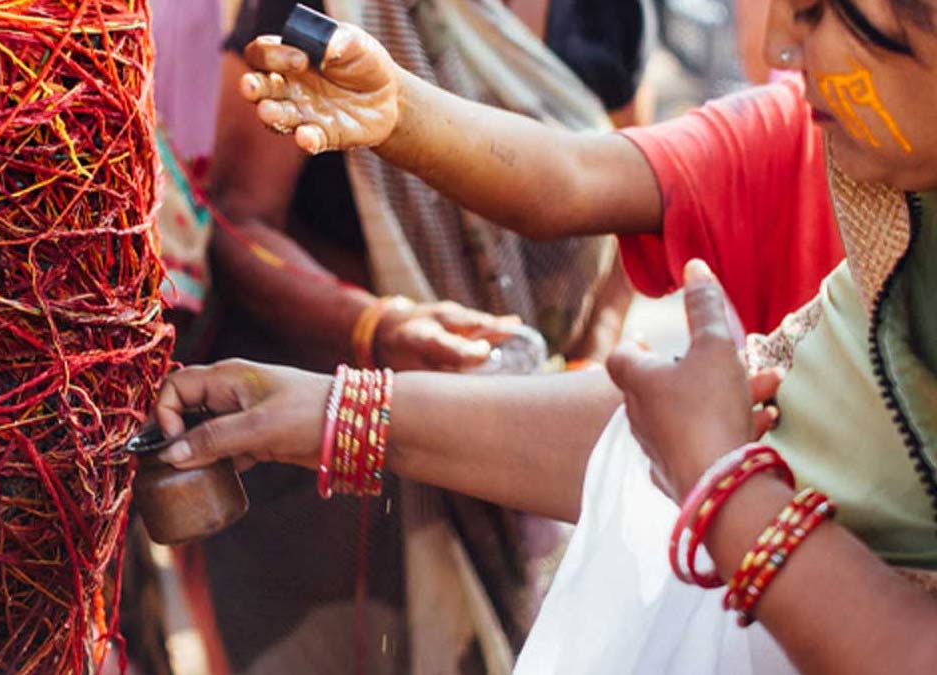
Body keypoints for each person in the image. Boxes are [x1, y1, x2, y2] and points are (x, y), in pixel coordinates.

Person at [150, 0, 937, 671]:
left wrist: (724, 482)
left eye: (827, 13)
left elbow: (702, 439)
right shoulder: (900, 224)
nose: (777, 53)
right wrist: (329, 404)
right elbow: (668, 424)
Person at [194, 1, 650, 672]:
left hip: (538, 439)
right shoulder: (327, 13)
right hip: (336, 475)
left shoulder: (607, 14)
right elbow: (238, 220)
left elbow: (640, 192)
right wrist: (372, 326)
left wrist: (590, 356)